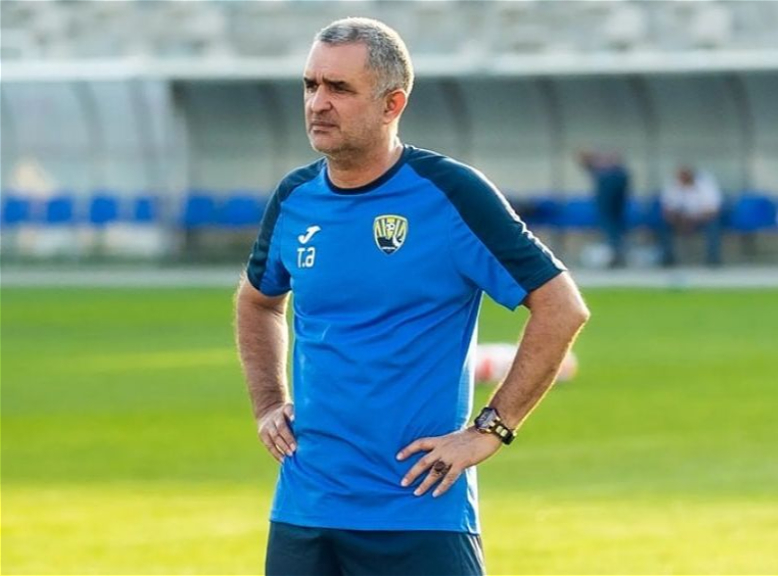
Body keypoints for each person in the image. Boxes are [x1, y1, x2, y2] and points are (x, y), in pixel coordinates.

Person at [235, 17, 590, 576]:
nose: (318, 103)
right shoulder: (296, 198)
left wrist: (490, 430)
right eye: (311, 85)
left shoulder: (450, 193)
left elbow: (561, 307)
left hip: (419, 510)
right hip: (306, 508)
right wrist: (267, 402)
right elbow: (257, 301)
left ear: (391, 104)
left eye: (339, 88)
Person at [658, 166, 723, 267]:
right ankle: (668, 259)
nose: (682, 179)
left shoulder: (705, 185)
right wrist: (677, 218)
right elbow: (667, 208)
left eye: (685, 176)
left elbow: (713, 210)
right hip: (681, 219)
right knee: (663, 224)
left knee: (713, 224)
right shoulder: (674, 186)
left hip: (701, 219)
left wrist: (695, 219)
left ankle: (713, 259)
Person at [577, 150, 631, 267]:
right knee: (614, 225)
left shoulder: (605, 173)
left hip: (610, 194)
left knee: (611, 224)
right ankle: (617, 253)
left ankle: (616, 254)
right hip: (614, 192)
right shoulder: (609, 172)